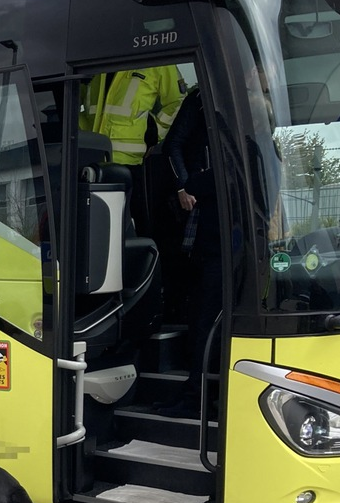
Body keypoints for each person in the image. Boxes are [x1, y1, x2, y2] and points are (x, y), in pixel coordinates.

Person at [158, 85, 221, 418]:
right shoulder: (202, 98)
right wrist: (185, 184)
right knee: (202, 314)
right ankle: (195, 396)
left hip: (236, 230)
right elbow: (174, 144)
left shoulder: (256, 113)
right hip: (209, 225)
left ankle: (205, 394)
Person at [79, 67, 187, 233]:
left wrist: (154, 132)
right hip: (92, 160)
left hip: (129, 164)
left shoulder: (155, 56)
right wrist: (83, 135)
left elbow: (178, 102)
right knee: (94, 230)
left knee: (127, 231)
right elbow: (72, 102)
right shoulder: (96, 54)